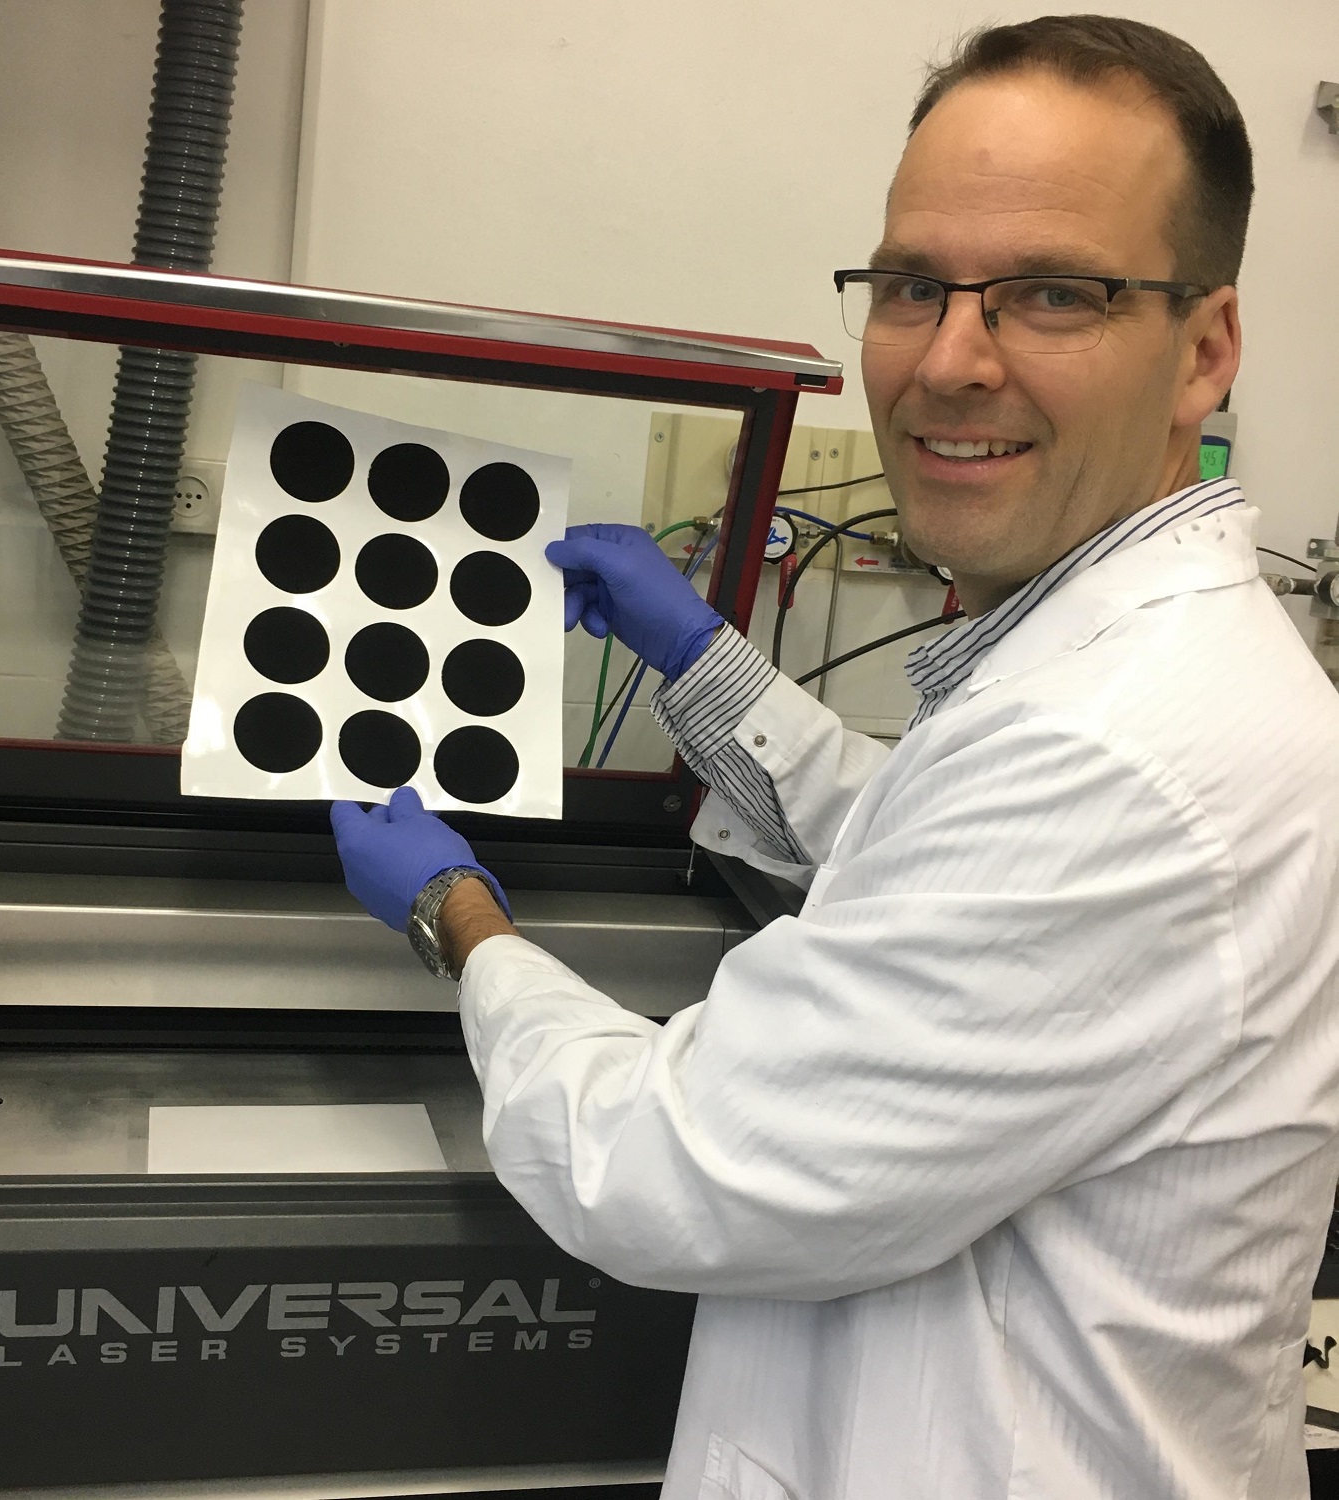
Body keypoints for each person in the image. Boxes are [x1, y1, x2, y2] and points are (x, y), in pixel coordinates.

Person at [330, 16, 1339, 1499]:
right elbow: (930, 843)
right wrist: (700, 663)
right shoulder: (1136, 681)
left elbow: (669, 1166)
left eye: (1053, 294)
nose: (948, 361)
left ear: (1205, 350)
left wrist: (460, 919)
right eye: (914, 284)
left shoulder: (1119, 752)